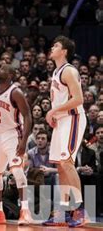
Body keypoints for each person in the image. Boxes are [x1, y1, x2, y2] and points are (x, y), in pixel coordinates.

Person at [0, 64, 34, 225]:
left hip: (12, 134)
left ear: (10, 74)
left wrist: (23, 141)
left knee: (17, 171)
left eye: (1, 69)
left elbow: (28, 116)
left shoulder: (15, 92)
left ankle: (25, 211)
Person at [43, 36, 88, 227]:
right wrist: (55, 115)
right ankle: (62, 211)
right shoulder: (56, 71)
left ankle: (80, 210)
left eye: (56, 46)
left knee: (67, 163)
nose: (52, 47)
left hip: (73, 119)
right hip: (62, 121)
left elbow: (79, 99)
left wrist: (54, 111)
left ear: (64, 51)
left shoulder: (68, 70)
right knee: (60, 167)